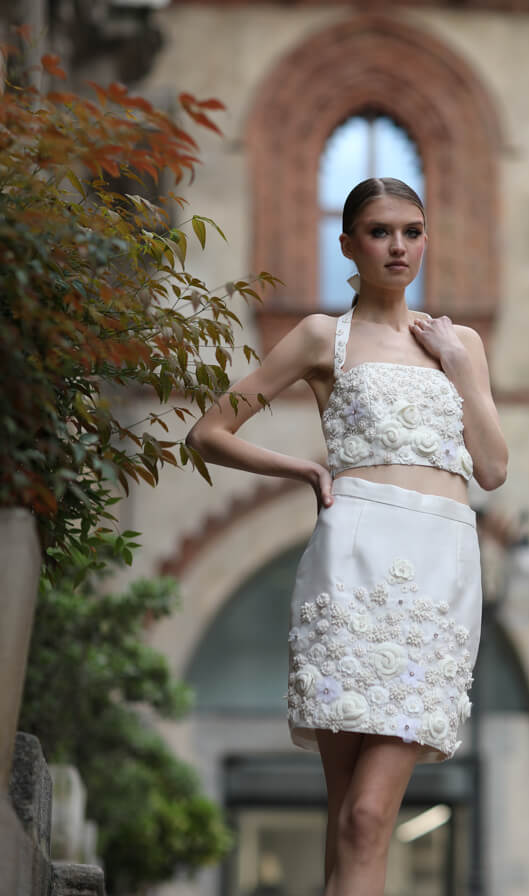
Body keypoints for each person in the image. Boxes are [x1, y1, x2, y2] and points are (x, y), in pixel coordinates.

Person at [186, 177, 508, 896]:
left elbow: (491, 468)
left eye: (412, 232)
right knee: (348, 822)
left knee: (367, 816)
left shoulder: (461, 344)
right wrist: (302, 469)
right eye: (379, 232)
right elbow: (208, 432)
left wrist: (460, 368)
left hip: (437, 575)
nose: (398, 247)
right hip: (351, 564)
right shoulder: (319, 337)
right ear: (347, 245)